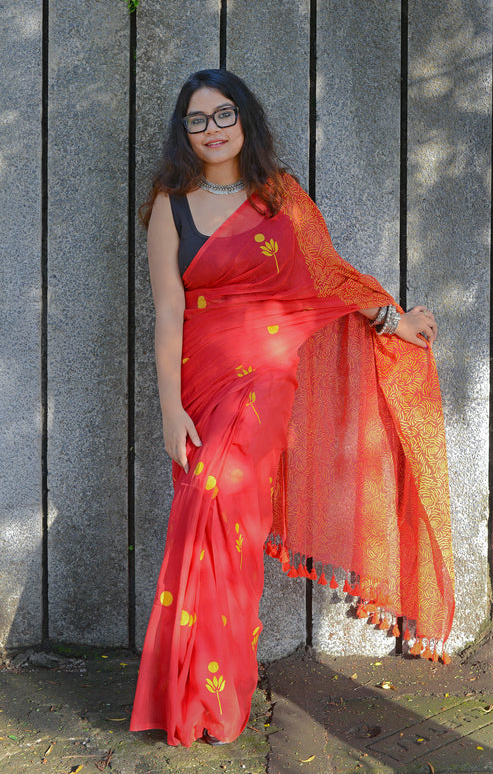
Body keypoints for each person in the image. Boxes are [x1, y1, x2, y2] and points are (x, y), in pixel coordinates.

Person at [129, 69, 454, 747]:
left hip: (266, 386)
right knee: (198, 523)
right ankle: (188, 696)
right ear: (182, 132)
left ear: (245, 121)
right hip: (199, 386)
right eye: (197, 119)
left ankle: (214, 701)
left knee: (230, 522)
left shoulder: (280, 198)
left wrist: (392, 320)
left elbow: (329, 278)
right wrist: (166, 409)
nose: (212, 128)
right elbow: (166, 310)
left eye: (224, 114)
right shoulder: (170, 202)